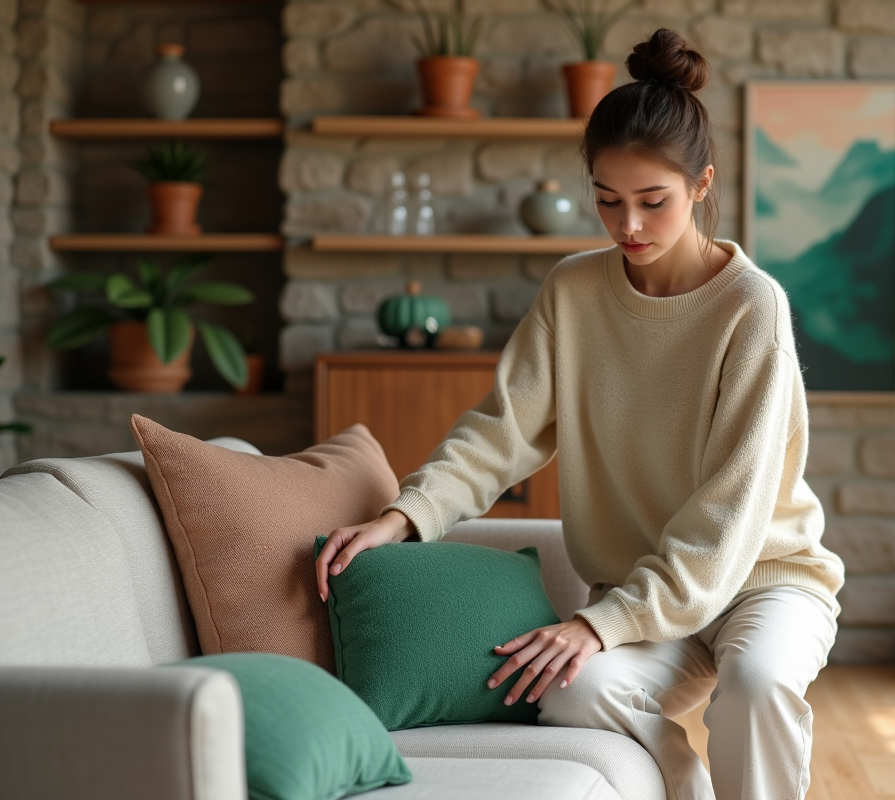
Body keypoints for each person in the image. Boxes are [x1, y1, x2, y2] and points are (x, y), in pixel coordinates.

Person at [315, 27, 845, 800]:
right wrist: (406, 515)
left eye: (652, 202)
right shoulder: (574, 293)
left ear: (702, 184)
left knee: (758, 687)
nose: (627, 225)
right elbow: (502, 433)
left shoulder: (750, 305)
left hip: (766, 582)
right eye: (607, 200)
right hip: (646, 593)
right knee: (568, 690)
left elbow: (730, 515)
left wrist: (602, 622)